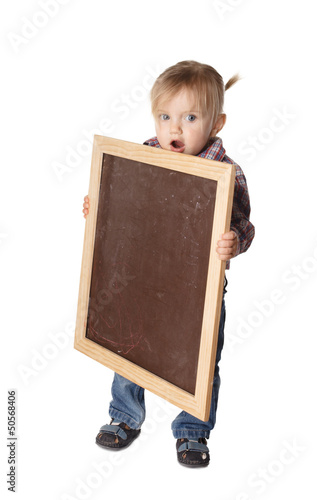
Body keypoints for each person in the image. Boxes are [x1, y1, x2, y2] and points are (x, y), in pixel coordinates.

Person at [82, 60, 255, 468]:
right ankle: (125, 415)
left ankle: (192, 430)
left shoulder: (224, 172)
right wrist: (99, 207)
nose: (174, 129)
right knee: (129, 344)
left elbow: (244, 224)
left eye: (190, 117)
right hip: (143, 276)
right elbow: (124, 208)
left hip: (199, 287)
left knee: (200, 357)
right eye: (165, 117)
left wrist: (234, 241)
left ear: (217, 123)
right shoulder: (143, 158)